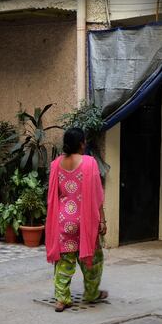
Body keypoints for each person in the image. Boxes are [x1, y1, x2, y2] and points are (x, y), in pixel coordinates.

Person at [45, 127, 108, 312]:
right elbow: (97, 196)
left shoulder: (56, 164)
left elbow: (54, 195)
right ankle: (91, 293)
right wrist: (102, 221)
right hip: (86, 220)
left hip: (64, 220)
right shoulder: (89, 163)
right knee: (92, 259)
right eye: (84, 141)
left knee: (65, 260)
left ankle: (62, 299)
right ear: (81, 143)